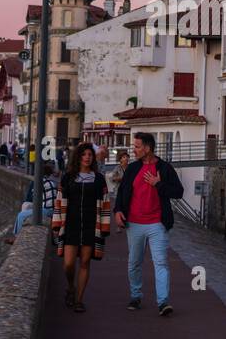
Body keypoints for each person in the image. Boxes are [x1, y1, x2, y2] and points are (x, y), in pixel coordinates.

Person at [113, 131, 184, 316]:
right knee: (134, 262)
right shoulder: (132, 168)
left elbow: (178, 192)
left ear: (147, 148)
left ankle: (163, 303)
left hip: (157, 224)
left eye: (136, 147)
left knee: (161, 263)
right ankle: (135, 296)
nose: (133, 150)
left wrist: (157, 184)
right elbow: (122, 192)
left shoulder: (165, 169)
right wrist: (118, 211)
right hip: (134, 223)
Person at [52, 143, 109, 313]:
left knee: (85, 262)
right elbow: (59, 200)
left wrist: (105, 226)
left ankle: (78, 299)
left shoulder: (98, 179)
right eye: (84, 154)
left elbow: (105, 203)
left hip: (91, 226)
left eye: (90, 155)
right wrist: (56, 222)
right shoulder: (68, 177)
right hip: (71, 224)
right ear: (78, 157)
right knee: (68, 264)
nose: (87, 157)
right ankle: (70, 286)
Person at [7, 163, 58, 244]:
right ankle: (18, 235)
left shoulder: (41, 182)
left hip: (47, 210)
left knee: (21, 215)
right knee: (26, 206)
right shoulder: (52, 182)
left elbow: (34, 197)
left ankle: (16, 237)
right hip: (52, 209)